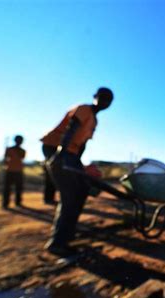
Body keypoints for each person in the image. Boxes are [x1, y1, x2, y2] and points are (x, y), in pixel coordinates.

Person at [43, 87, 114, 255]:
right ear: (95, 97)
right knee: (70, 195)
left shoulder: (94, 121)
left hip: (70, 154)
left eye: (108, 100)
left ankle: (66, 236)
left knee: (81, 191)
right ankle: (57, 243)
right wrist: (60, 155)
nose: (104, 102)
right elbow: (71, 130)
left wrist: (78, 164)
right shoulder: (84, 109)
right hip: (56, 148)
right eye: (102, 98)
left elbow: (82, 144)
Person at [2, 135, 26, 209]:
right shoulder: (9, 149)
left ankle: (18, 203)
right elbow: (5, 159)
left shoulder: (22, 151)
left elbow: (21, 157)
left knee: (18, 188)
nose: (20, 142)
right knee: (7, 188)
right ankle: (5, 203)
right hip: (10, 170)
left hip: (18, 171)